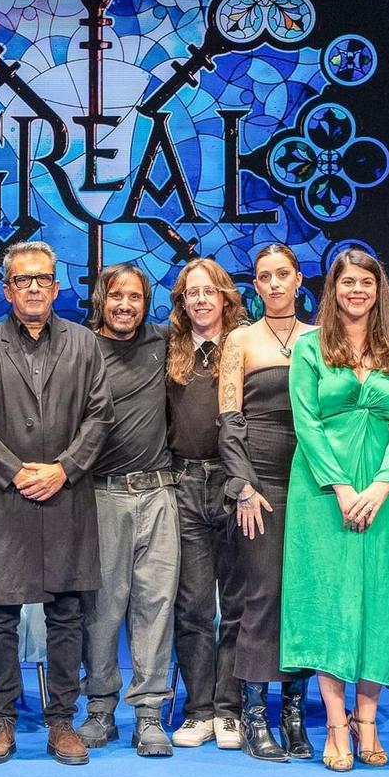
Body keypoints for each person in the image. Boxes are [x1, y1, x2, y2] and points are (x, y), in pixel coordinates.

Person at [0, 242, 111, 767]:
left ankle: (62, 721)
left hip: (67, 494)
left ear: (57, 287)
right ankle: (2, 720)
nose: (34, 288)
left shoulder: (86, 344)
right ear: (6, 289)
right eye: (23, 280)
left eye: (43, 279)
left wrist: (64, 467)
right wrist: (16, 471)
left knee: (66, 614)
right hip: (6, 497)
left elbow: (99, 417)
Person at [282, 248, 389, 770]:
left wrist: (383, 484)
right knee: (329, 604)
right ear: (333, 290)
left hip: (384, 495)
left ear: (377, 288)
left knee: (377, 604)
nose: (356, 291)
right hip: (322, 494)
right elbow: (306, 422)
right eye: (347, 283)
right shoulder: (310, 347)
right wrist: (340, 486)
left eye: (365, 282)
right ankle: (335, 725)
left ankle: (368, 721)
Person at [218, 243, 316, 761]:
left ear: (299, 279)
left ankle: (293, 715)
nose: (274, 284)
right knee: (260, 596)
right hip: (260, 484)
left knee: (300, 598)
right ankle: (254, 715)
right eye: (264, 277)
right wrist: (243, 486)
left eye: (283, 274)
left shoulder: (320, 339)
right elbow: (229, 422)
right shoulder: (241, 340)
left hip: (311, 482)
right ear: (254, 286)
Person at [77, 264, 179, 758]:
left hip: (160, 493)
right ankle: (99, 710)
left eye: (135, 297)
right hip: (101, 495)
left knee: (155, 605)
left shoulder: (163, 342)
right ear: (101, 299)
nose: (125, 305)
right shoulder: (80, 348)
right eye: (116, 295)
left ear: (147, 302)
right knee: (101, 610)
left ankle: (149, 715)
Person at [166, 257, 247, 749]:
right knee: (194, 606)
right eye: (190, 292)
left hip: (234, 486)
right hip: (184, 485)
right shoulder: (169, 350)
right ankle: (198, 710)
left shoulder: (244, 347)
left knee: (236, 603)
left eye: (208, 291)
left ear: (225, 297)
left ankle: (230, 709)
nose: (199, 300)